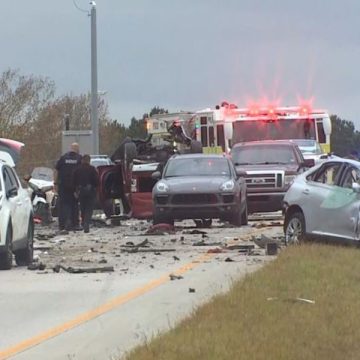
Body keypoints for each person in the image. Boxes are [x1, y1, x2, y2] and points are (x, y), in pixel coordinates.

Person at [54, 143, 82, 233]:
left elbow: (56, 170)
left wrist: (55, 183)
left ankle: (62, 225)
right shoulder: (79, 159)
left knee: (63, 206)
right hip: (74, 187)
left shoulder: (63, 158)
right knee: (74, 205)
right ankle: (75, 224)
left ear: (71, 148)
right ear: (77, 149)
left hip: (63, 186)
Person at [72, 154, 99, 233]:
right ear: (89, 161)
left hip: (80, 191)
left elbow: (73, 181)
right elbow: (97, 181)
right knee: (89, 208)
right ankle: (86, 223)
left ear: (82, 160)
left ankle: (84, 222)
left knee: (83, 208)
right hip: (90, 191)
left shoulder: (77, 169)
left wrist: (75, 191)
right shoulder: (92, 169)